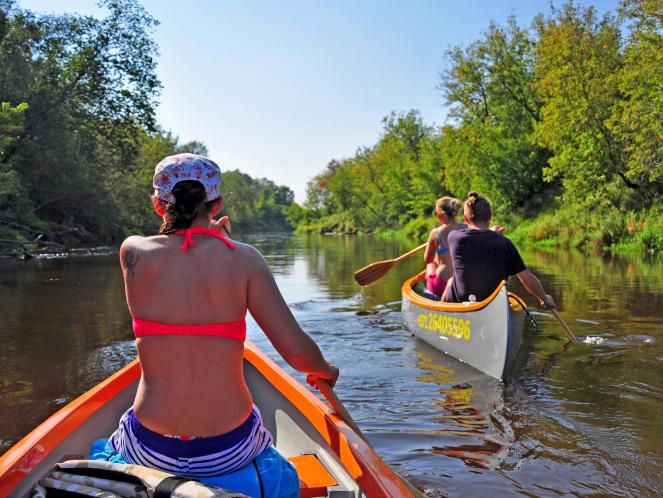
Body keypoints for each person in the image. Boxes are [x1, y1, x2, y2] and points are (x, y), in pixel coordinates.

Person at [108, 153, 338, 496]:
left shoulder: (134, 254)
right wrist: (325, 369)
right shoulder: (244, 258)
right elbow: (296, 352)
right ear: (216, 204)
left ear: (158, 205)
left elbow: (180, 252)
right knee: (283, 473)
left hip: (150, 448)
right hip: (228, 450)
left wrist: (210, 235)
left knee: (106, 445)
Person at [442, 192, 556, 310]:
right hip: (493, 305)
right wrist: (544, 298)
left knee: (451, 282)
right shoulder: (504, 242)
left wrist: (491, 234)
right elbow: (526, 277)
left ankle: (442, 315)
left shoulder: (454, 238)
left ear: (466, 218)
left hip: (462, 301)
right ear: (490, 217)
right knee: (452, 281)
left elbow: (477, 240)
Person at [423, 196, 465, 297]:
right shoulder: (467, 227)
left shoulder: (436, 232)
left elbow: (428, 259)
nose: (435, 215)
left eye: (436, 212)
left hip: (441, 285)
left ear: (441, 213)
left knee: (430, 265)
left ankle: (430, 293)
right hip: (463, 284)